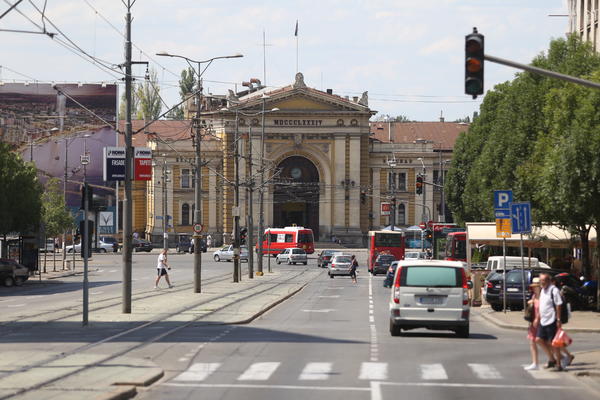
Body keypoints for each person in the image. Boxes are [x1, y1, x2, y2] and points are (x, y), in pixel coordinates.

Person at [535, 273, 564, 371]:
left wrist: (558, 319)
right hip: (543, 320)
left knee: (554, 343)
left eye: (542, 281)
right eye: (540, 281)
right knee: (538, 339)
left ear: (548, 281)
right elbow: (542, 305)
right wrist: (537, 318)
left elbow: (558, 304)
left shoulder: (554, 290)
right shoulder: (543, 290)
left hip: (552, 320)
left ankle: (559, 365)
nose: (541, 282)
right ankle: (552, 359)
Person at [524, 278, 541, 370]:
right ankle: (535, 363)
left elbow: (543, 309)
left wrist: (538, 318)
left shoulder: (543, 296)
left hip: (542, 323)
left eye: (536, 287)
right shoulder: (534, 296)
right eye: (533, 287)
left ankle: (562, 357)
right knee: (532, 342)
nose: (534, 288)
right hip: (533, 322)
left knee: (547, 343)